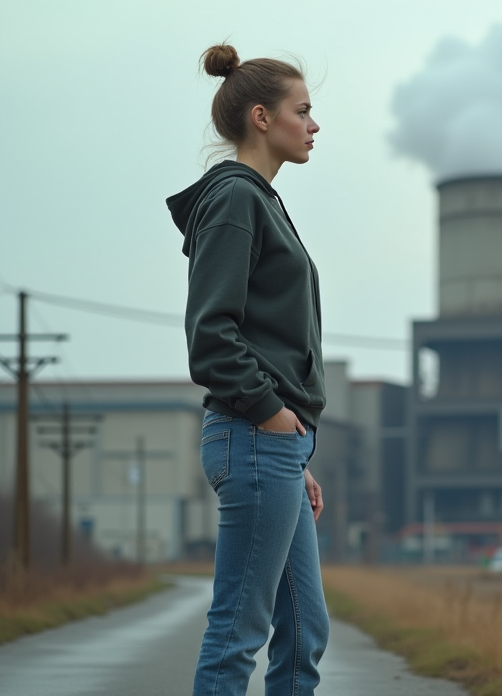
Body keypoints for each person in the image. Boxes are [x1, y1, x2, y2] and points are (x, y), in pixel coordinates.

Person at [166, 43, 329, 696]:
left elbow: (261, 339)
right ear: (262, 117)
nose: (314, 125)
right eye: (305, 110)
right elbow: (212, 335)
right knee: (239, 631)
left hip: (274, 447)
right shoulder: (237, 199)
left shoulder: (257, 199)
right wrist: (273, 417)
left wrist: (295, 449)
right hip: (255, 437)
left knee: (303, 631)